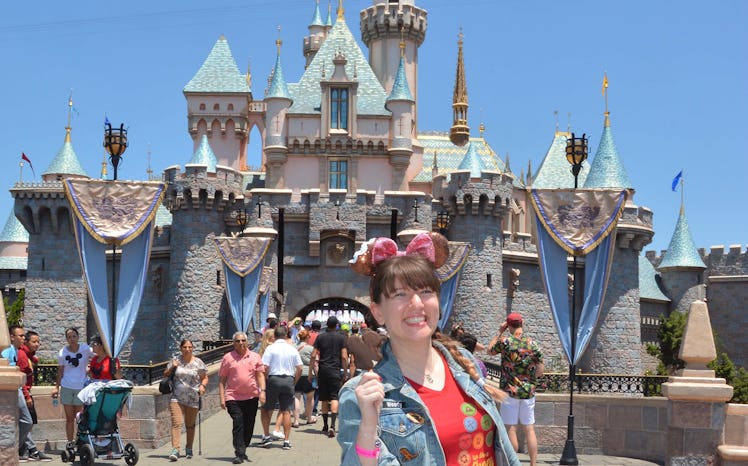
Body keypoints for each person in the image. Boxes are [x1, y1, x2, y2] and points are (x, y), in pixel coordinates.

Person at [338, 232, 520, 466]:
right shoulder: (360, 395)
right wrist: (368, 429)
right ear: (378, 311)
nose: (417, 304)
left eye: (426, 292)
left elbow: (504, 452)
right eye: (400, 294)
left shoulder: (464, 362)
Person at [488, 312, 544, 466]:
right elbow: (540, 372)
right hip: (528, 393)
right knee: (529, 429)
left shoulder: (505, 342)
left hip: (509, 391)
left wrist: (500, 332)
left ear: (508, 325)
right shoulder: (533, 344)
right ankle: (533, 464)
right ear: (522, 323)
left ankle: (513, 463)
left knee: (511, 429)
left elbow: (490, 350)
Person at [3, 326, 52, 462]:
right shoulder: (9, 352)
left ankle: (30, 449)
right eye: (21, 336)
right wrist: (26, 395)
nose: (23, 338)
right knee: (26, 421)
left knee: (24, 421)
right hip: (15, 389)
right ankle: (15, 448)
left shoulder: (17, 351)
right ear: (12, 337)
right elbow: (20, 374)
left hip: (19, 389)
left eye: (24, 336)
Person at [218, 331, 266, 464]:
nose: (240, 343)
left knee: (249, 425)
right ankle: (239, 453)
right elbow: (222, 380)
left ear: (247, 342)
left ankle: (243, 447)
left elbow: (260, 376)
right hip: (233, 397)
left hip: (251, 396)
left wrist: (262, 392)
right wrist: (222, 398)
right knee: (238, 423)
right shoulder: (228, 358)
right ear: (233, 343)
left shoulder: (255, 357)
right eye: (237, 341)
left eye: (243, 340)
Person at [259, 326, 302, 450]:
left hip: (273, 378)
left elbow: (264, 366)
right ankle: (287, 441)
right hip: (288, 379)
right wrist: (294, 380)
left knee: (266, 409)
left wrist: (267, 378)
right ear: (285, 335)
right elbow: (299, 367)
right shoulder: (292, 349)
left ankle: (266, 436)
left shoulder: (270, 349)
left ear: (275, 336)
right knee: (286, 410)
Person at [164, 339, 208, 461]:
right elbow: (165, 374)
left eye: (190, 347)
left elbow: (204, 378)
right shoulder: (175, 360)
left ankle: (189, 448)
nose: (187, 349)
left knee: (190, 425)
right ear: (181, 348)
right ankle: (175, 449)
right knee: (176, 423)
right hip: (176, 397)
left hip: (193, 398)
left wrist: (202, 386)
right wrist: (173, 367)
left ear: (192, 348)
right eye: (185, 347)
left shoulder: (198, 363)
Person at [51, 327, 93, 447]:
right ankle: (70, 443)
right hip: (67, 386)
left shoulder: (85, 349)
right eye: (69, 337)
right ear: (66, 339)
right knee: (69, 418)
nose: (72, 339)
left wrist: (92, 368)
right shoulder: (63, 352)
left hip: (81, 387)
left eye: (74, 336)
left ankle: (80, 442)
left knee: (79, 417)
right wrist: (56, 387)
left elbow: (98, 353)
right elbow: (60, 371)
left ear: (78, 337)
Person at [309, 315, 348, 438]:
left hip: (323, 370)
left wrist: (311, 371)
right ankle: (333, 425)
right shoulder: (341, 338)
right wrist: (345, 371)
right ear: (336, 325)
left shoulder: (320, 337)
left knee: (324, 398)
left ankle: (325, 425)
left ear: (326, 324)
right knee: (334, 397)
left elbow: (313, 354)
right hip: (335, 370)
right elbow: (344, 356)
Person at [293, 329, 317, 425]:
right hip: (308, 373)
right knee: (310, 397)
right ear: (307, 337)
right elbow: (315, 363)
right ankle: (309, 417)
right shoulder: (311, 348)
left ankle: (296, 420)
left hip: (296, 373)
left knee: (296, 396)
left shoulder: (293, 347)